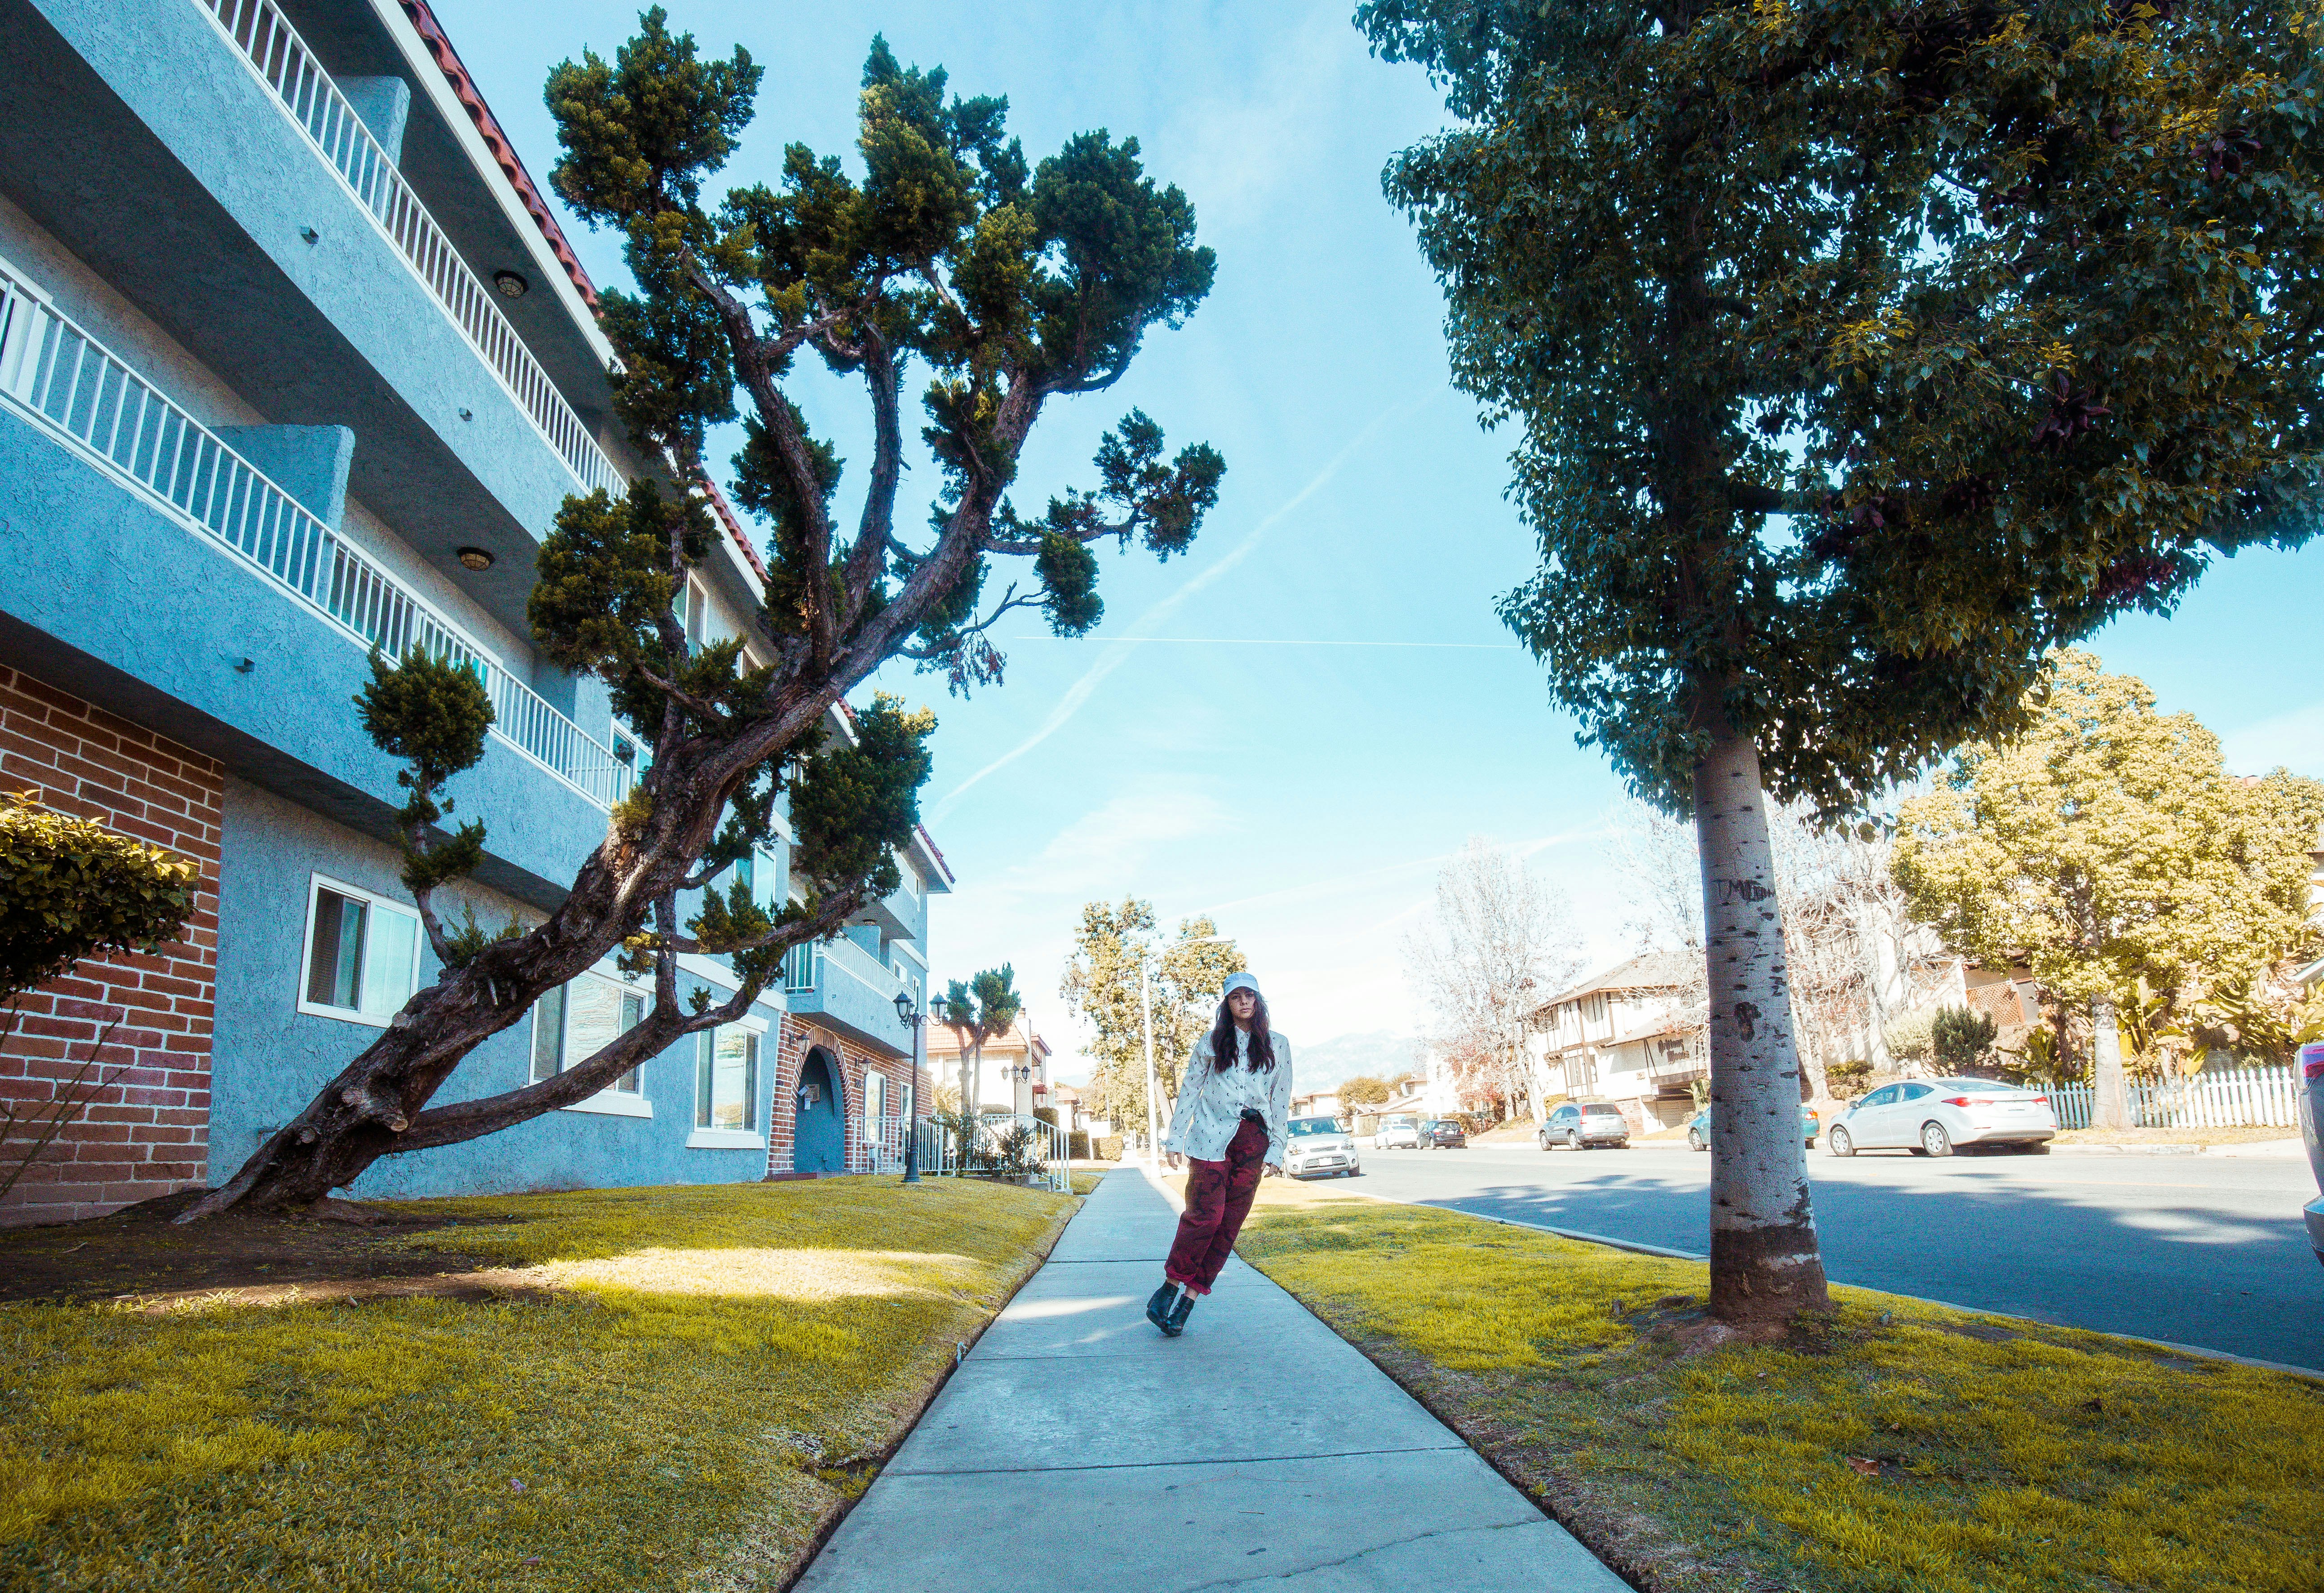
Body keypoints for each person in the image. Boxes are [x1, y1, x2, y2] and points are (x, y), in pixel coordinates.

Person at [1146, 971, 1292, 1337]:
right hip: (1210, 1138)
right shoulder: (1210, 1043)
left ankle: (1187, 1303)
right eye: (1235, 997)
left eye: (1250, 996)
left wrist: (1277, 1147)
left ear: (1258, 1002)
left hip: (1253, 1141)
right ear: (1227, 1004)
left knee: (1229, 1226)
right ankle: (1168, 1288)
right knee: (1205, 1217)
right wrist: (1174, 1139)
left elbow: (1281, 1101)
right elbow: (1190, 1090)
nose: (1244, 1001)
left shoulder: (1279, 1044)